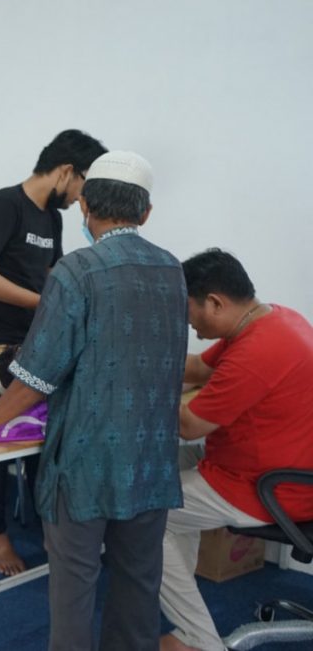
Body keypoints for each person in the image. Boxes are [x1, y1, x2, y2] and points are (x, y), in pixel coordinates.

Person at [0, 151, 188, 650]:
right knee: (138, 585)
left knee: (73, 589)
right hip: (151, 461)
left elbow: (35, 375)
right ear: (147, 213)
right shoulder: (172, 270)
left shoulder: (76, 271)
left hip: (85, 462)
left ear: (85, 205)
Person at [0, 128, 108, 576]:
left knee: (44, 439)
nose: (84, 200)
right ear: (65, 171)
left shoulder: (52, 220)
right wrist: (39, 301)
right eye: (83, 186)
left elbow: (52, 274)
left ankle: (49, 526)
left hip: (30, 344)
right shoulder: (4, 205)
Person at [158, 249, 313, 651]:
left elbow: (189, 424)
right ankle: (181, 599)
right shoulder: (273, 319)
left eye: (191, 314)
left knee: (147, 510)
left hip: (268, 486)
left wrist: (141, 385)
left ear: (215, 302)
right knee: (158, 464)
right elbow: (197, 370)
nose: (191, 326)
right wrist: (143, 356)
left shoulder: (256, 352)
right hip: (272, 464)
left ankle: (198, 640)